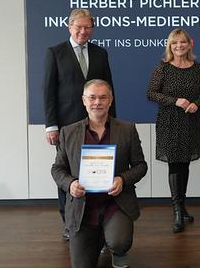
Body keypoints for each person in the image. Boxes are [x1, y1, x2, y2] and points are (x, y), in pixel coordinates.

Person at [51, 79, 147, 268]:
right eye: (92, 97)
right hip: (83, 207)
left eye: (103, 97)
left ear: (111, 101)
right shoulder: (68, 132)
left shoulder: (127, 130)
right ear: (84, 100)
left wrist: (122, 179)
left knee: (119, 241)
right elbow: (58, 169)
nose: (97, 102)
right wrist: (70, 183)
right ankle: (100, 237)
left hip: (115, 203)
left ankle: (117, 248)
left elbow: (140, 166)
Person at [43, 8, 116, 239]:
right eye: (79, 27)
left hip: (98, 124)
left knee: (99, 171)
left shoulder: (100, 53)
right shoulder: (55, 52)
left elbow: (109, 90)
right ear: (69, 26)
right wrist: (51, 125)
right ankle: (69, 224)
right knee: (68, 173)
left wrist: (112, 121)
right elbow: (48, 91)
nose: (83, 31)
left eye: (87, 27)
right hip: (66, 125)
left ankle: (98, 222)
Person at [147, 29, 200, 233]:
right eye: (175, 43)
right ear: (169, 46)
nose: (179, 46)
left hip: (191, 122)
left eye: (182, 42)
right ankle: (176, 210)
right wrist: (176, 101)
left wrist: (196, 104)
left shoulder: (197, 68)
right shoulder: (163, 68)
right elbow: (151, 94)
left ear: (189, 44)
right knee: (174, 165)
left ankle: (182, 207)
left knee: (184, 164)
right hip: (169, 122)